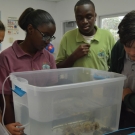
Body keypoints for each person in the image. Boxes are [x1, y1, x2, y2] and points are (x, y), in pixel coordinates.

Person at [0, 7, 56, 135]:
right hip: (19, 119)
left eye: (51, 37)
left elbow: (52, 90)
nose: (48, 41)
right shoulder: (7, 57)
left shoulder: (48, 57)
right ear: (30, 29)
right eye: (45, 36)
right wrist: (10, 124)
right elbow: (5, 97)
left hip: (42, 118)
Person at [56, 0, 115, 71]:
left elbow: (114, 65)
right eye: (80, 18)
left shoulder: (107, 36)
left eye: (89, 17)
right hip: (76, 82)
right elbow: (58, 67)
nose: (85, 21)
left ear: (95, 16)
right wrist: (74, 56)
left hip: (102, 82)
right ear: (76, 19)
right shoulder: (67, 37)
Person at [109, 10, 135, 129]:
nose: (131, 53)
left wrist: (128, 97)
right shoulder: (119, 47)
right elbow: (112, 74)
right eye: (127, 46)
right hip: (121, 111)